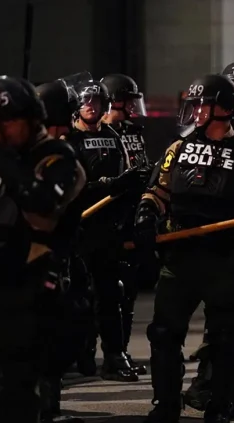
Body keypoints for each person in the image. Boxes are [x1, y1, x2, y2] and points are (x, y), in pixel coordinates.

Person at [127, 74, 234, 423]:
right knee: (164, 335)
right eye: (195, 104)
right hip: (181, 257)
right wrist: (146, 214)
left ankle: (218, 417)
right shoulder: (179, 147)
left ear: (225, 109)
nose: (196, 111)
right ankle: (164, 416)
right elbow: (159, 189)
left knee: (223, 340)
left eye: (204, 105)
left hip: (227, 258)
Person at [0, 75, 86, 423]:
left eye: (5, 122)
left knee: (15, 402)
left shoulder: (59, 159)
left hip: (31, 293)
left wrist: (9, 167)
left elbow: (44, 213)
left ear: (32, 119)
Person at [63, 79, 148, 381]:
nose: (91, 106)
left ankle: (114, 355)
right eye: (87, 102)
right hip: (77, 228)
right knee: (77, 297)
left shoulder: (113, 136)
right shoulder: (69, 140)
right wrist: (102, 187)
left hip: (106, 229)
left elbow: (123, 181)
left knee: (112, 294)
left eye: (97, 102)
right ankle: (78, 357)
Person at [101, 72, 150, 374]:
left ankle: (120, 350)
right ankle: (98, 354)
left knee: (127, 289)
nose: (133, 106)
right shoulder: (99, 133)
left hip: (131, 214)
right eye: (128, 100)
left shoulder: (133, 130)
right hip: (106, 218)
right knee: (104, 293)